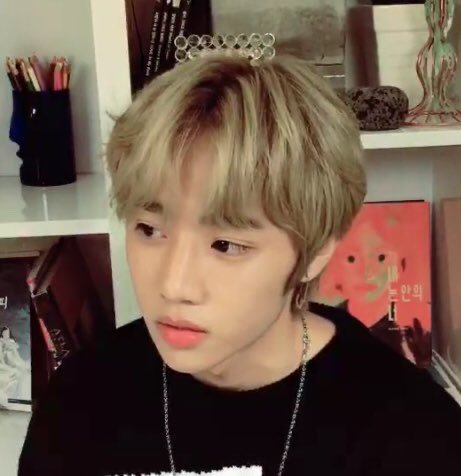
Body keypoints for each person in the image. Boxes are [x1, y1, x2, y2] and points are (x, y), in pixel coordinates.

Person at [18, 52, 461, 476]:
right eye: (149, 230)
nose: (174, 285)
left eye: (226, 245)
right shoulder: (79, 404)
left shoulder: (415, 437)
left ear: (316, 251)